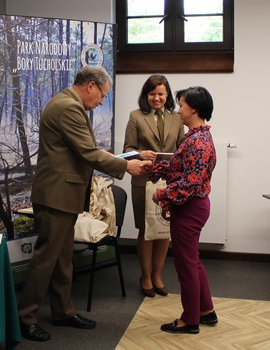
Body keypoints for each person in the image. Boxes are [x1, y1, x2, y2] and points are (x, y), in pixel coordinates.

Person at [18, 65, 152, 342]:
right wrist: (127, 167)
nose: (102, 101)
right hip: (55, 196)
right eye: (103, 94)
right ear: (90, 85)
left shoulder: (68, 104)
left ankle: (63, 311)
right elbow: (88, 152)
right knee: (46, 260)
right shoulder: (69, 107)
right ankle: (25, 318)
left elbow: (86, 150)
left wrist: (127, 157)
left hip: (63, 195)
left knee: (63, 259)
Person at [150, 86, 218, 334]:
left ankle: (190, 320)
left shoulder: (198, 141)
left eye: (181, 105)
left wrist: (162, 195)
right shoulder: (195, 136)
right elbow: (182, 171)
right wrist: (155, 166)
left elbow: (190, 183)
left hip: (190, 209)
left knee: (185, 266)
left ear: (194, 109)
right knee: (193, 262)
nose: (179, 110)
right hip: (192, 207)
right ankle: (206, 311)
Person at [123, 75, 185, 298]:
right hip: (143, 180)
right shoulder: (136, 116)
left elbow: (182, 148)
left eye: (160, 94)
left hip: (170, 181)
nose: (156, 98)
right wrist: (139, 153)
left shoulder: (177, 118)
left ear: (167, 95)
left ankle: (158, 274)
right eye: (152, 94)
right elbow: (126, 150)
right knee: (146, 229)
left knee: (164, 230)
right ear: (145, 95)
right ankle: (145, 276)